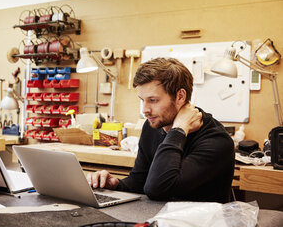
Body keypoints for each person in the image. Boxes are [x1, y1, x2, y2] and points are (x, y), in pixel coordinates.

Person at [87, 57, 235, 203]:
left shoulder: (217, 142)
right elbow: (140, 182)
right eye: (142, 100)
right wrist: (116, 184)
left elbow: (157, 188)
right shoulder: (153, 126)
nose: (145, 110)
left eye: (153, 100)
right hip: (160, 217)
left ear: (180, 96)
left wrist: (177, 131)